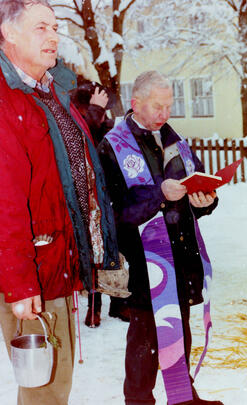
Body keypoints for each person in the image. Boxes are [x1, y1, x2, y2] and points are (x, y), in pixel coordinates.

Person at [0, 1, 120, 405]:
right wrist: (19, 283)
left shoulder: (51, 89)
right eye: (40, 28)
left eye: (55, 27)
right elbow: (5, 200)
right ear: (8, 32)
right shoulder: (6, 100)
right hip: (29, 266)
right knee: (43, 387)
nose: (53, 36)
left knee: (57, 378)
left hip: (55, 259)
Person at [98, 71, 224, 405]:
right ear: (136, 103)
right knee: (144, 336)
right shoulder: (113, 145)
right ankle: (138, 400)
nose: (164, 114)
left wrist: (205, 200)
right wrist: (159, 195)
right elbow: (114, 212)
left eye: (169, 106)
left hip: (180, 250)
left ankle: (184, 396)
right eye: (157, 106)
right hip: (142, 259)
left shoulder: (174, 140)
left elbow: (197, 183)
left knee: (179, 327)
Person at [70, 79, 130, 327]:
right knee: (94, 252)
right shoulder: (80, 122)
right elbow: (82, 145)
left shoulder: (106, 126)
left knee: (116, 252)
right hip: (90, 200)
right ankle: (94, 307)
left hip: (111, 198)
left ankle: (118, 303)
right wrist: (94, 112)